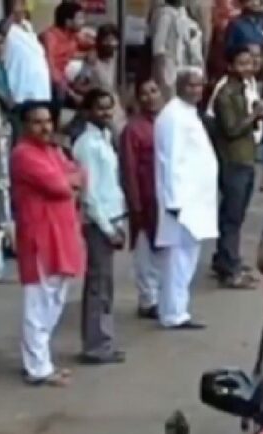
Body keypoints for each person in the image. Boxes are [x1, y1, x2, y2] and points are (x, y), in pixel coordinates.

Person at [10, 100, 85, 387]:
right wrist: (70, 182)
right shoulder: (23, 155)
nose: (44, 127)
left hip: (61, 234)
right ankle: (37, 367)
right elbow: (59, 186)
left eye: (47, 121)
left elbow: (79, 175)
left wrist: (70, 181)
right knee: (39, 303)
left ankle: (42, 360)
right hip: (40, 237)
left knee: (54, 300)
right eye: (36, 122)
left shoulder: (52, 151)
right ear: (25, 125)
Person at [154, 67, 219, 329]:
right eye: (191, 85)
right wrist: (173, 202)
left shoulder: (187, 113)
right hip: (181, 202)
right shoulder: (172, 117)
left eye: (200, 85)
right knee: (177, 260)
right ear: (180, 86)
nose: (196, 90)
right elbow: (168, 160)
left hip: (194, 201)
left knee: (187, 257)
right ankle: (173, 312)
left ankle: (178, 308)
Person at [73, 89, 127, 365]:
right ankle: (95, 345)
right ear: (87, 112)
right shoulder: (86, 145)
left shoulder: (105, 138)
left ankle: (103, 340)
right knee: (98, 284)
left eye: (109, 107)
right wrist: (108, 228)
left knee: (105, 285)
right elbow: (89, 195)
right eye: (100, 108)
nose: (106, 113)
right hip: (98, 223)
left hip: (112, 217)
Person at [212, 45, 263, 289]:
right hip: (234, 160)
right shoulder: (225, 94)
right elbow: (232, 128)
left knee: (237, 214)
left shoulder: (245, 89)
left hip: (246, 156)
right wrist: (254, 115)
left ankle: (226, 259)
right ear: (231, 66)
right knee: (232, 216)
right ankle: (230, 267)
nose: (248, 68)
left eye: (250, 62)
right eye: (242, 63)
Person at [120, 77, 164, 320]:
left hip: (166, 197)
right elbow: (129, 167)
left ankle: (163, 296)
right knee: (145, 250)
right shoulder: (133, 129)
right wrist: (135, 203)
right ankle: (148, 300)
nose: (150, 96)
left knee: (165, 251)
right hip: (145, 197)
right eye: (144, 93)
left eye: (154, 90)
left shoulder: (168, 122)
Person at [3, 0, 51, 128]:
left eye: (23, 4)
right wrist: (13, 15)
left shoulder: (28, 26)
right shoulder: (7, 28)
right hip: (21, 90)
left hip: (39, 88)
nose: (22, 7)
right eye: (19, 4)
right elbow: (1, 34)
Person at [73, 24, 125, 137]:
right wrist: (92, 92)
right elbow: (79, 84)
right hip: (98, 104)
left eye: (113, 40)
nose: (110, 43)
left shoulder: (117, 57)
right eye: (106, 40)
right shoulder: (92, 60)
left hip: (115, 104)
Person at [152, 0, 205, 98]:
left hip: (187, 67)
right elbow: (158, 47)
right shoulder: (165, 14)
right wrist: (161, 75)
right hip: (170, 68)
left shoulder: (184, 13)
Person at [40, 1, 83, 112]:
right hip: (51, 81)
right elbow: (51, 69)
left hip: (65, 80)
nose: (83, 22)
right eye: (80, 19)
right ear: (68, 22)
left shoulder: (73, 36)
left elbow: (94, 42)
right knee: (58, 92)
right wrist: (71, 93)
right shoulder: (50, 37)